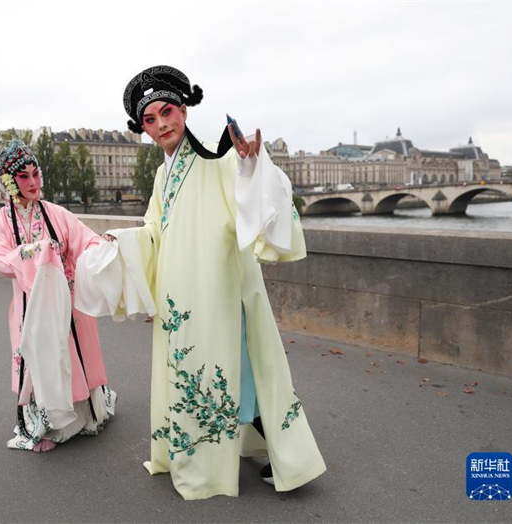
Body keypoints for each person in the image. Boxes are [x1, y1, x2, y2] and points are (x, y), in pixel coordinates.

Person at [76, 65, 325, 500]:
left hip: (219, 288)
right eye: (150, 119)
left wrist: (248, 164)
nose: (161, 124)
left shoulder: (216, 157)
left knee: (245, 365)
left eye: (167, 112)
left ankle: (285, 457)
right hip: (182, 295)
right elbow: (156, 231)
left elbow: (246, 191)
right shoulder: (162, 175)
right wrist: (123, 241)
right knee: (216, 370)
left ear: (184, 110)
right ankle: (229, 452)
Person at [0, 139, 115, 453]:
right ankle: (46, 424)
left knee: (74, 355)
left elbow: (86, 240)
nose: (33, 182)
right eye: (24, 177)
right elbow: (2, 261)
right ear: (9, 182)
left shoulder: (56, 213)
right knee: (38, 360)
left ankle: (84, 415)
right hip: (30, 307)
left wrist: (104, 245)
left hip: (68, 303)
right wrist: (39, 251)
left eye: (36, 174)